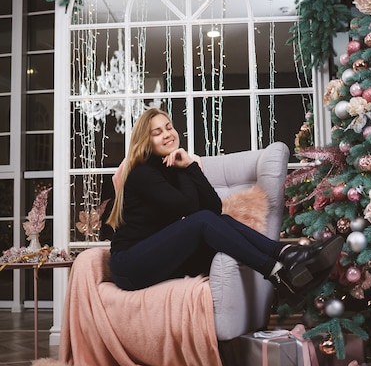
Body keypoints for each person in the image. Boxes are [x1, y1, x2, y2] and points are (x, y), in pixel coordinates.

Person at [107, 108, 343, 306]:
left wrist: (188, 166)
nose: (167, 134)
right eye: (157, 133)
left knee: (221, 221)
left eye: (169, 127)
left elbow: (214, 208)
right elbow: (191, 209)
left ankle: (286, 254)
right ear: (146, 141)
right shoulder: (143, 173)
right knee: (201, 221)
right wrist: (187, 169)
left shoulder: (172, 166)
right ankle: (277, 274)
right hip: (130, 265)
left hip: (155, 259)